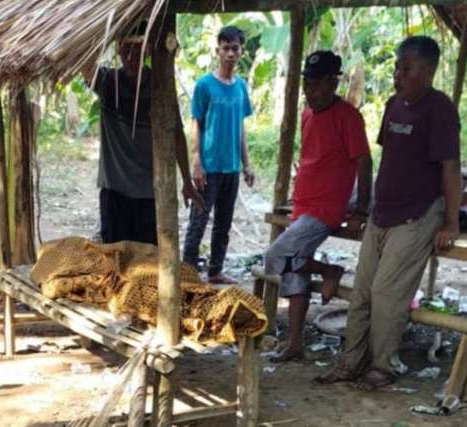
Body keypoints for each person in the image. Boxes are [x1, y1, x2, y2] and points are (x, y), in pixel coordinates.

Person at [315, 35, 462, 390]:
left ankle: (384, 363)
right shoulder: (394, 104)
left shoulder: (439, 109)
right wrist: (367, 206)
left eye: (405, 68)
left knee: (387, 293)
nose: (397, 74)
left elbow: (451, 168)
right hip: (384, 211)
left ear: (427, 71)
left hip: (417, 213)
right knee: (363, 291)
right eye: (396, 67)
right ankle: (351, 360)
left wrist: (451, 222)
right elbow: (388, 159)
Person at [264, 51, 372, 363]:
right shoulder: (308, 113)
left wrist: (361, 209)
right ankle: (295, 344)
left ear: (332, 82)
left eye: (316, 85)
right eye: (306, 85)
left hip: (326, 207)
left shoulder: (349, 117)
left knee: (278, 255)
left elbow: (364, 162)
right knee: (293, 273)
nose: (310, 92)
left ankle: (330, 270)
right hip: (304, 203)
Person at [84, 23, 202, 245]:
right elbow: (83, 62)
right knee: (116, 257)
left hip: (149, 192)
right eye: (127, 48)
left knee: (148, 260)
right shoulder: (108, 82)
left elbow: (177, 134)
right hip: (114, 191)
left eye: (139, 48)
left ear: (148, 50)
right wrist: (105, 29)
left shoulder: (160, 87)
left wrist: (187, 180)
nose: (132, 55)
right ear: (118, 49)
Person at [182, 26, 254, 284]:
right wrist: (197, 160)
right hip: (209, 167)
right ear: (218, 51)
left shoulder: (240, 87)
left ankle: (215, 270)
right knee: (198, 221)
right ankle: (187, 272)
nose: (231, 53)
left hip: (231, 168)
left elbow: (241, 128)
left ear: (241, 51)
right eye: (226, 48)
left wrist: (247, 164)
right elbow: (196, 123)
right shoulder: (204, 85)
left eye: (235, 48)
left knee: (223, 224)